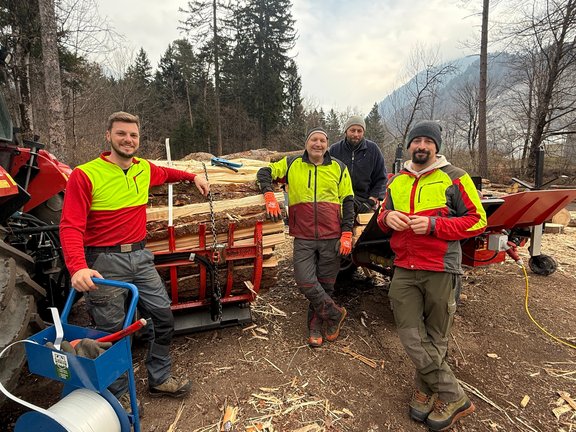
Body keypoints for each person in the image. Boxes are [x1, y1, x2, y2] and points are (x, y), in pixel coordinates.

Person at [60, 111, 210, 404]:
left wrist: (194, 176)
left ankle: (160, 378)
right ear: (108, 136)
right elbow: (70, 226)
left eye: (133, 135)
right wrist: (77, 267)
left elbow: (167, 173)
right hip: (104, 261)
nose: (128, 140)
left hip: (141, 257)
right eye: (121, 134)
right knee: (113, 334)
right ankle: (117, 397)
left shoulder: (143, 169)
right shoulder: (85, 174)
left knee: (163, 316)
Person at [376, 120, 486, 431]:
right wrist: (387, 217)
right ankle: (454, 396)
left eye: (428, 141)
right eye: (417, 141)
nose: (422, 146)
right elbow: (382, 217)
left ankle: (424, 391)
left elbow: (478, 221)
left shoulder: (455, 177)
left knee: (436, 338)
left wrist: (435, 225)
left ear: (436, 147)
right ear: (409, 145)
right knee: (412, 337)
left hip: (440, 268)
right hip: (404, 268)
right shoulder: (397, 181)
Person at [257, 127, 354, 348]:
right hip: (303, 235)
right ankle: (335, 314)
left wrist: (347, 232)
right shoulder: (292, 163)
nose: (318, 144)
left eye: (322, 140)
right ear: (306, 143)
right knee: (305, 281)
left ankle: (316, 326)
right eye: (313, 139)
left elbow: (348, 200)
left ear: (327, 144)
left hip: (332, 235)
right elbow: (264, 172)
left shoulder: (339, 167)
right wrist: (269, 194)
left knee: (326, 285)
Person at [329, 115, 387, 214]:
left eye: (359, 131)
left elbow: (381, 178)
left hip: (366, 202)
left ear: (363, 132)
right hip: (339, 201)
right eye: (352, 130)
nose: (356, 134)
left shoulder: (373, 150)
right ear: (346, 131)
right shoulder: (334, 150)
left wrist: (371, 200)